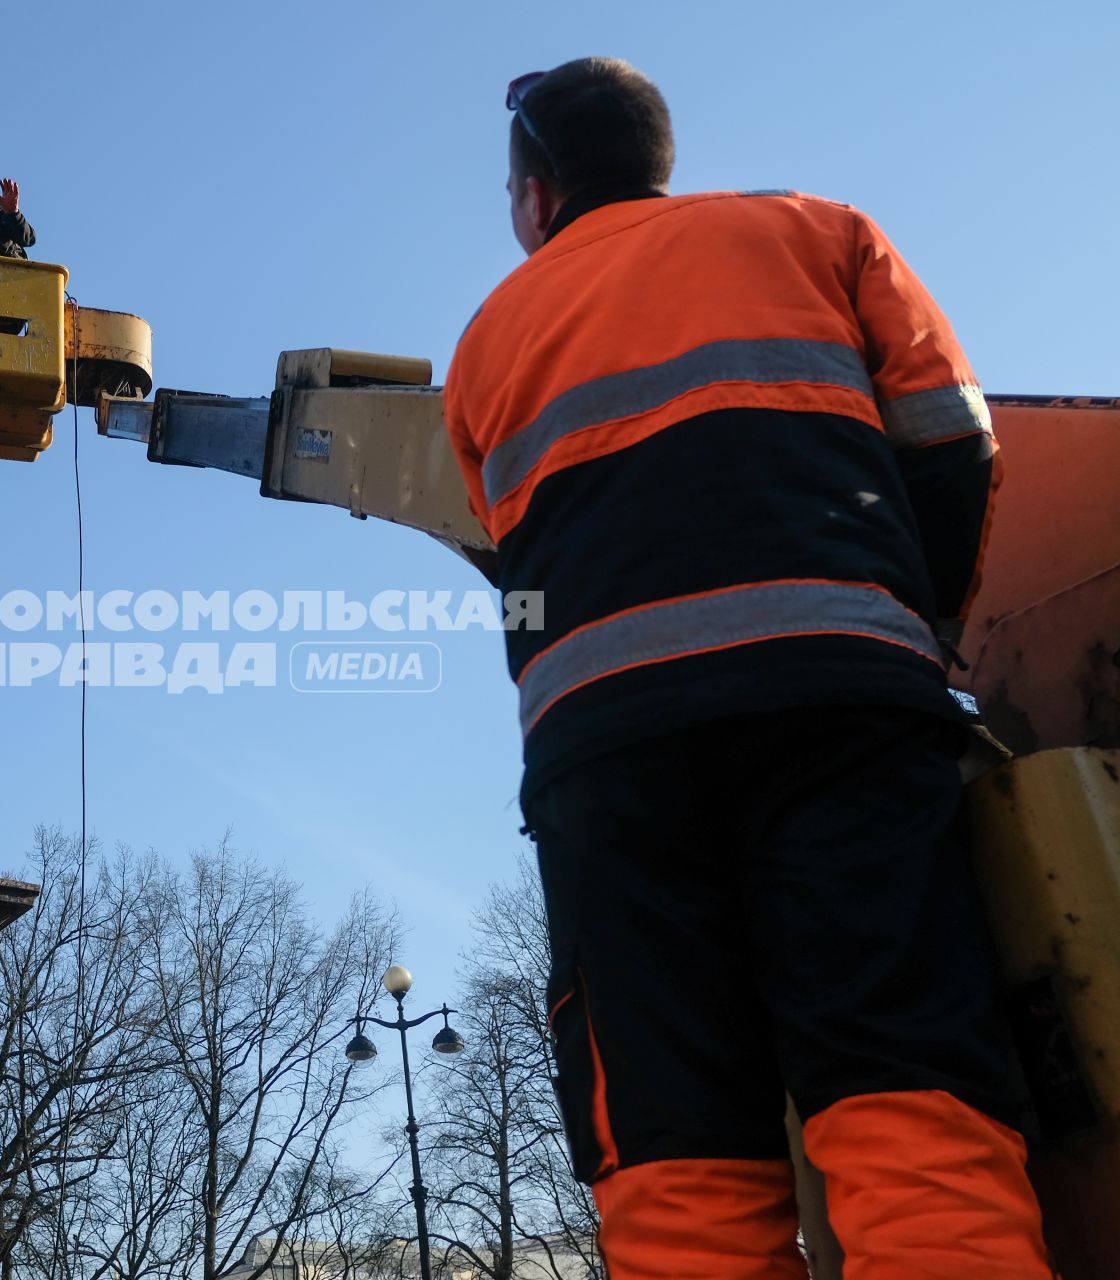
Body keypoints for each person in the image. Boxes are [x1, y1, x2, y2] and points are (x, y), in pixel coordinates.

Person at [442, 58, 1051, 1277]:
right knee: (906, 1082)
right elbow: (953, 445)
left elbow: (518, 562)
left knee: (674, 1145)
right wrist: (915, 624)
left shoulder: (486, 343)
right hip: (841, 706)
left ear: (536, 193)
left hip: (612, 762)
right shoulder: (817, 231)